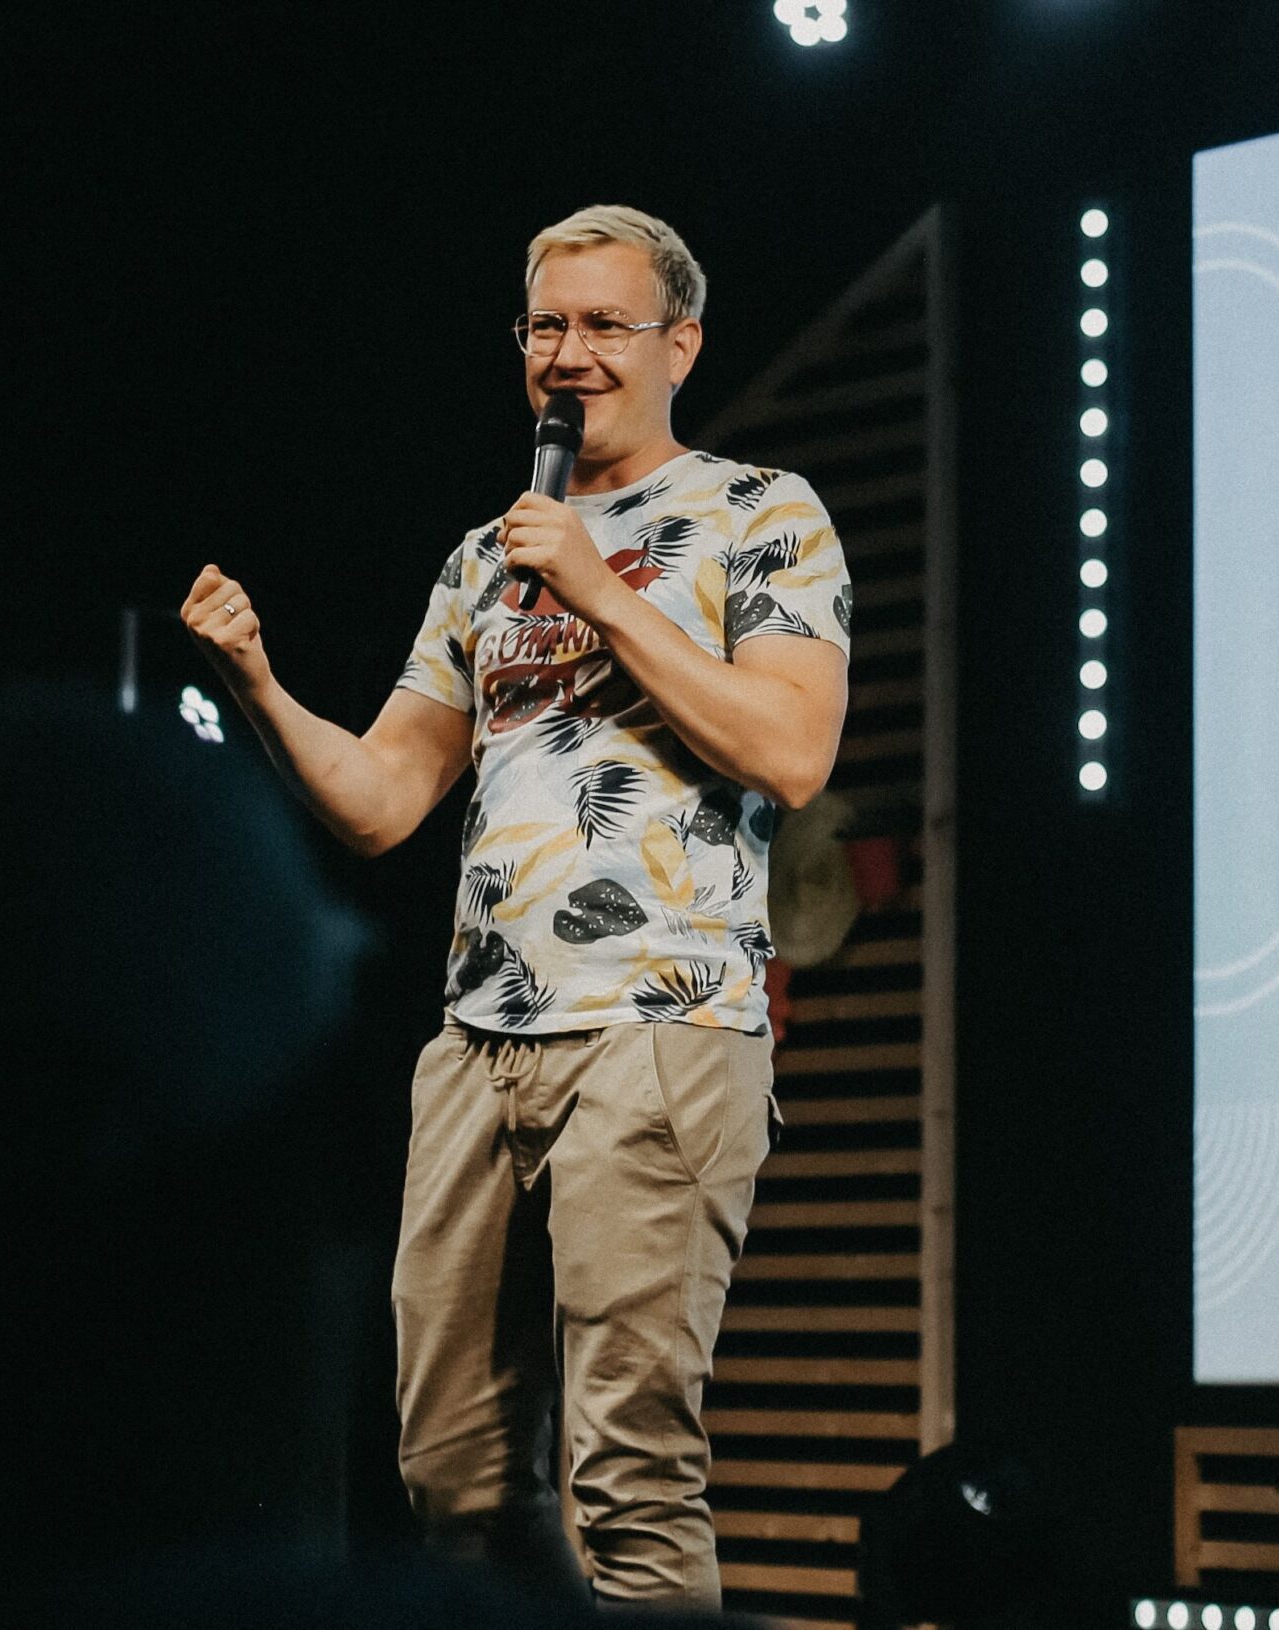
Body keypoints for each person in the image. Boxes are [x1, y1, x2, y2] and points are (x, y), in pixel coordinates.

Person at [182, 203, 852, 1608]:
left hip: (661, 1027)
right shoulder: (485, 558)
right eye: (547, 325)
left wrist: (603, 591)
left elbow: (791, 750)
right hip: (480, 1044)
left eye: (606, 324)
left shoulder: (761, 511)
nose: (570, 353)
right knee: (455, 1477)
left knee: (629, 1474)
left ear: (680, 345)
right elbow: (381, 799)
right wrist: (257, 684)